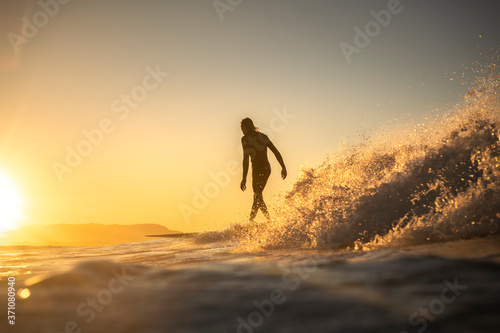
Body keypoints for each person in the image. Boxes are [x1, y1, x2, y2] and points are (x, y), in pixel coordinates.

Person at [240, 118, 287, 222]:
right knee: (257, 195)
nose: (242, 130)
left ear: (247, 127)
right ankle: (260, 220)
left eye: (242, 128)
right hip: (266, 169)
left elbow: (245, 159)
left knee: (257, 194)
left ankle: (258, 221)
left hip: (257, 169)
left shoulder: (245, 139)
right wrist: (283, 167)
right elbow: (276, 152)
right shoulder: (262, 136)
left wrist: (244, 178)